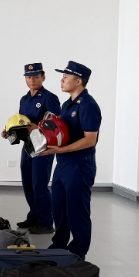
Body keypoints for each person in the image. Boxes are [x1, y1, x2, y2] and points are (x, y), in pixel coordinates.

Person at [37, 61, 102, 260]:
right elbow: (61, 133)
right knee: (58, 207)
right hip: (63, 162)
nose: (62, 80)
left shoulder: (88, 105)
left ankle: (78, 252)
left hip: (79, 164)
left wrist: (61, 149)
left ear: (78, 81)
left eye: (66, 77)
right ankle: (59, 245)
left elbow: (90, 140)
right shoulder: (67, 105)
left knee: (77, 209)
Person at [5, 64, 62, 235]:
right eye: (29, 77)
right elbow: (21, 122)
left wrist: (38, 127)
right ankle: (34, 215)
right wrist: (9, 131)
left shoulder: (49, 98)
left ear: (43, 78)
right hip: (28, 146)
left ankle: (45, 222)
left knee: (39, 185)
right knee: (28, 183)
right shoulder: (24, 99)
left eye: (36, 77)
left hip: (43, 147)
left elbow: (57, 124)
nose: (32, 80)